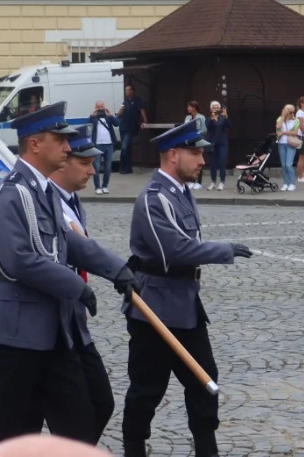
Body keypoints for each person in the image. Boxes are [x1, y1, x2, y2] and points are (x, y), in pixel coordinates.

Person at [0, 102, 136, 454]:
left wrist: (117, 269)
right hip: (13, 334)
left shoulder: (42, 191)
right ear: (34, 144)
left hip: (51, 332)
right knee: (4, 431)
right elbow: (17, 260)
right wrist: (74, 286)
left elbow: (68, 242)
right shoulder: (11, 192)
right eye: (60, 140)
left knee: (83, 416)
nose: (66, 147)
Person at [121, 119, 254, 457]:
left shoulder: (179, 193)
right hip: (154, 308)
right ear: (172, 154)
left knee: (205, 380)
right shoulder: (153, 198)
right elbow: (175, 250)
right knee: (147, 388)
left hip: (185, 304)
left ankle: (207, 449)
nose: (202, 161)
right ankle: (134, 446)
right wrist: (223, 249)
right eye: (195, 153)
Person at [42, 126, 137, 444]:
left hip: (74, 322)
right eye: (85, 162)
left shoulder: (71, 202)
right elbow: (73, 246)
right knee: (73, 418)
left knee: (101, 403)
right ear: (64, 161)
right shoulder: (46, 202)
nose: (92, 170)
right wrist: (115, 269)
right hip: (50, 326)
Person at [88, 101, 117, 194]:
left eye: (102, 106)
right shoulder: (94, 118)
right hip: (98, 145)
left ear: (104, 107)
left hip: (109, 145)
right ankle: (97, 187)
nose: (100, 108)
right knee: (96, 167)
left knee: (108, 167)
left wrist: (111, 114)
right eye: (98, 107)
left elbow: (117, 124)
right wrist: (92, 115)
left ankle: (105, 186)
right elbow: (88, 126)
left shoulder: (108, 118)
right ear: (95, 108)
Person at [117, 86, 147, 174]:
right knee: (127, 148)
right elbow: (119, 115)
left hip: (130, 128)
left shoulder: (137, 100)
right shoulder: (125, 102)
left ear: (133, 91)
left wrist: (145, 121)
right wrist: (121, 111)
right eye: (126, 90)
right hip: (122, 127)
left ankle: (124, 167)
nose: (126, 91)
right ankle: (127, 168)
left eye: (128, 90)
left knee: (124, 147)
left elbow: (142, 110)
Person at [275, 104, 301, 192]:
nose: (292, 113)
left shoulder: (296, 120)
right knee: (283, 165)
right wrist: (283, 116)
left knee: (288, 164)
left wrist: (284, 133)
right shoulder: (280, 119)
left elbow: (295, 133)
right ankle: (286, 183)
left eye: (293, 112)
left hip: (291, 143)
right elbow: (278, 127)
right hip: (281, 143)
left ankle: (292, 183)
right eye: (290, 112)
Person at [205, 102, 231, 191]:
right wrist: (213, 119)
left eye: (217, 108)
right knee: (212, 164)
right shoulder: (208, 119)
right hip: (212, 144)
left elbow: (229, 126)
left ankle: (222, 182)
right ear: (211, 109)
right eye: (214, 108)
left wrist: (226, 116)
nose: (215, 110)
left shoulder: (223, 119)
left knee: (222, 163)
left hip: (222, 144)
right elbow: (208, 127)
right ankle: (213, 182)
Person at [184, 102, 207, 191]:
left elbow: (204, 130)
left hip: (198, 141)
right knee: (189, 161)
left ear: (194, 107)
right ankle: (190, 181)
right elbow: (184, 127)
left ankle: (198, 182)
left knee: (198, 161)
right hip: (189, 141)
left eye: (189, 107)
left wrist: (197, 133)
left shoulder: (201, 117)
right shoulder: (187, 117)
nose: (188, 108)